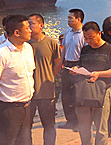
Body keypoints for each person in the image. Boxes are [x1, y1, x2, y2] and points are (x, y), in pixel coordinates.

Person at [74, 21, 111, 145]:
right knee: (84, 125)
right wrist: (76, 70)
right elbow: (81, 65)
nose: (88, 40)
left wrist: (99, 74)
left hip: (102, 91)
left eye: (91, 37)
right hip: (85, 90)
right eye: (86, 38)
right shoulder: (85, 49)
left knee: (101, 127)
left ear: (99, 34)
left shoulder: (110, 50)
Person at [0, 15, 35, 145]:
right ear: (17, 33)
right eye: (28, 28)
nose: (31, 30)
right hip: (8, 109)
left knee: (25, 141)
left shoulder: (28, 48)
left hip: (26, 106)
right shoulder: (1, 54)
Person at [28, 13, 62, 145]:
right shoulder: (25, 44)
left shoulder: (51, 43)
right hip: (28, 92)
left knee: (48, 125)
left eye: (32, 23)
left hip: (46, 92)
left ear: (41, 25)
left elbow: (58, 63)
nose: (29, 27)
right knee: (26, 127)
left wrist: (48, 77)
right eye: (28, 24)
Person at [59, 8, 86, 130]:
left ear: (78, 19)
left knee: (77, 96)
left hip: (78, 67)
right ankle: (70, 120)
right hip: (67, 65)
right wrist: (61, 64)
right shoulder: (69, 32)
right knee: (66, 95)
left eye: (71, 18)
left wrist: (79, 67)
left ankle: (80, 122)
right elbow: (64, 49)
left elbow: (86, 53)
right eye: (68, 17)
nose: (68, 20)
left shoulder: (84, 34)